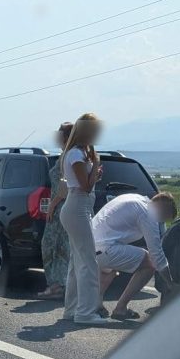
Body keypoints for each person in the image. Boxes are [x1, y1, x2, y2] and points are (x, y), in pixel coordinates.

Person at [92, 192, 177, 320]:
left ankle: (95, 305)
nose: (160, 222)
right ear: (163, 210)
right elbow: (156, 254)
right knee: (149, 263)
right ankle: (121, 308)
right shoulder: (149, 213)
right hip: (104, 248)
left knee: (112, 266)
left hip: (91, 246)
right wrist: (170, 283)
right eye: (163, 219)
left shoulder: (134, 198)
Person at [59, 113, 109, 325]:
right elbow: (85, 186)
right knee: (88, 261)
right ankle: (86, 313)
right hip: (77, 207)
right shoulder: (76, 155)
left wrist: (94, 170)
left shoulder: (77, 153)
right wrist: (95, 169)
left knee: (76, 261)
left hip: (79, 208)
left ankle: (72, 309)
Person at [36, 122, 74, 300]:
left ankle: (56, 285)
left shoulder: (67, 156)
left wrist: (52, 205)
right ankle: (61, 284)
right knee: (60, 246)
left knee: (51, 245)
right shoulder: (68, 155)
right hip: (65, 207)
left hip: (60, 208)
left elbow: (64, 185)